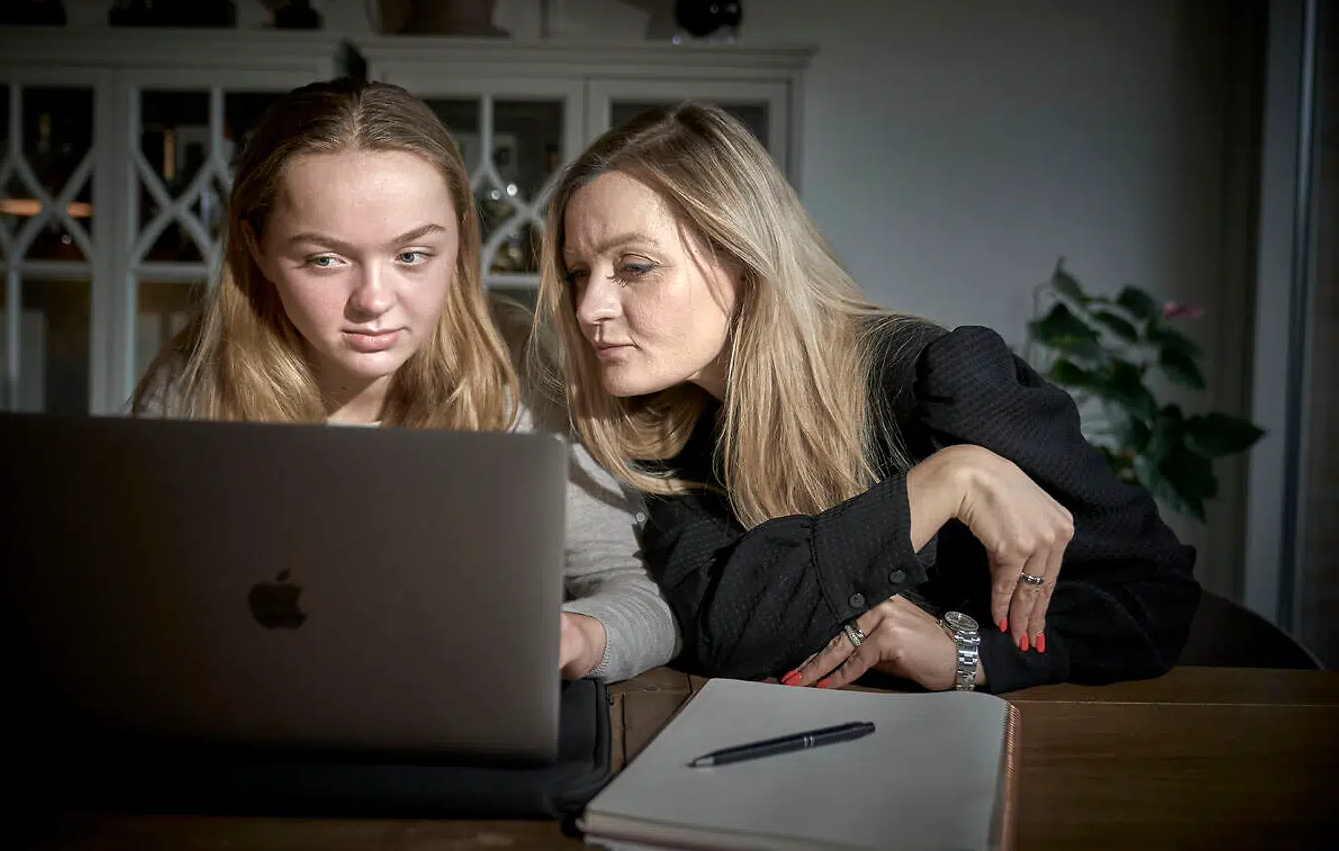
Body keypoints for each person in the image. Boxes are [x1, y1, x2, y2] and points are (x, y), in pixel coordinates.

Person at [533, 101, 1201, 694]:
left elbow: (1157, 596)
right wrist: (943, 485)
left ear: (744, 257)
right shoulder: (663, 437)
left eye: (634, 267)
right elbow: (727, 632)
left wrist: (972, 656)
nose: (589, 307)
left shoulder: (942, 378)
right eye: (577, 273)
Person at [130, 77, 679, 683]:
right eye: (324, 259)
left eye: (412, 255)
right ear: (256, 247)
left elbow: (641, 596)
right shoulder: (194, 382)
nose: (373, 300)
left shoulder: (519, 372)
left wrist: (577, 636)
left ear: (460, 237)